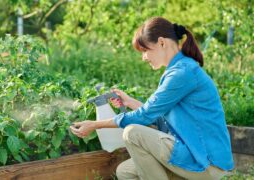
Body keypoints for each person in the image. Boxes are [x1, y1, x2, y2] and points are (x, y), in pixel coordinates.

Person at [70, 16, 234, 180]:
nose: (144, 57)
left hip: (205, 161)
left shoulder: (182, 73)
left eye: (145, 51)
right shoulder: (177, 70)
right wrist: (130, 102)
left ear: (162, 42)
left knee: (132, 133)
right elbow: (159, 118)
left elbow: (145, 115)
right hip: (190, 150)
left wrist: (95, 125)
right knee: (125, 172)